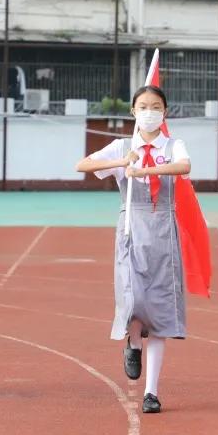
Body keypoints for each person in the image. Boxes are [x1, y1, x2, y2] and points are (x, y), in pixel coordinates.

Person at [75, 85, 191, 413]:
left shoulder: (172, 145)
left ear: (165, 112)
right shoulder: (123, 146)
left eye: (156, 106)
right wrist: (122, 160)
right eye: (143, 106)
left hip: (164, 232)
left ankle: (151, 392)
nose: (150, 111)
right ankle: (132, 341)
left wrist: (145, 170)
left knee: (158, 310)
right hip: (131, 230)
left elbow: (184, 167)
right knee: (134, 299)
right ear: (133, 111)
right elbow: (81, 165)